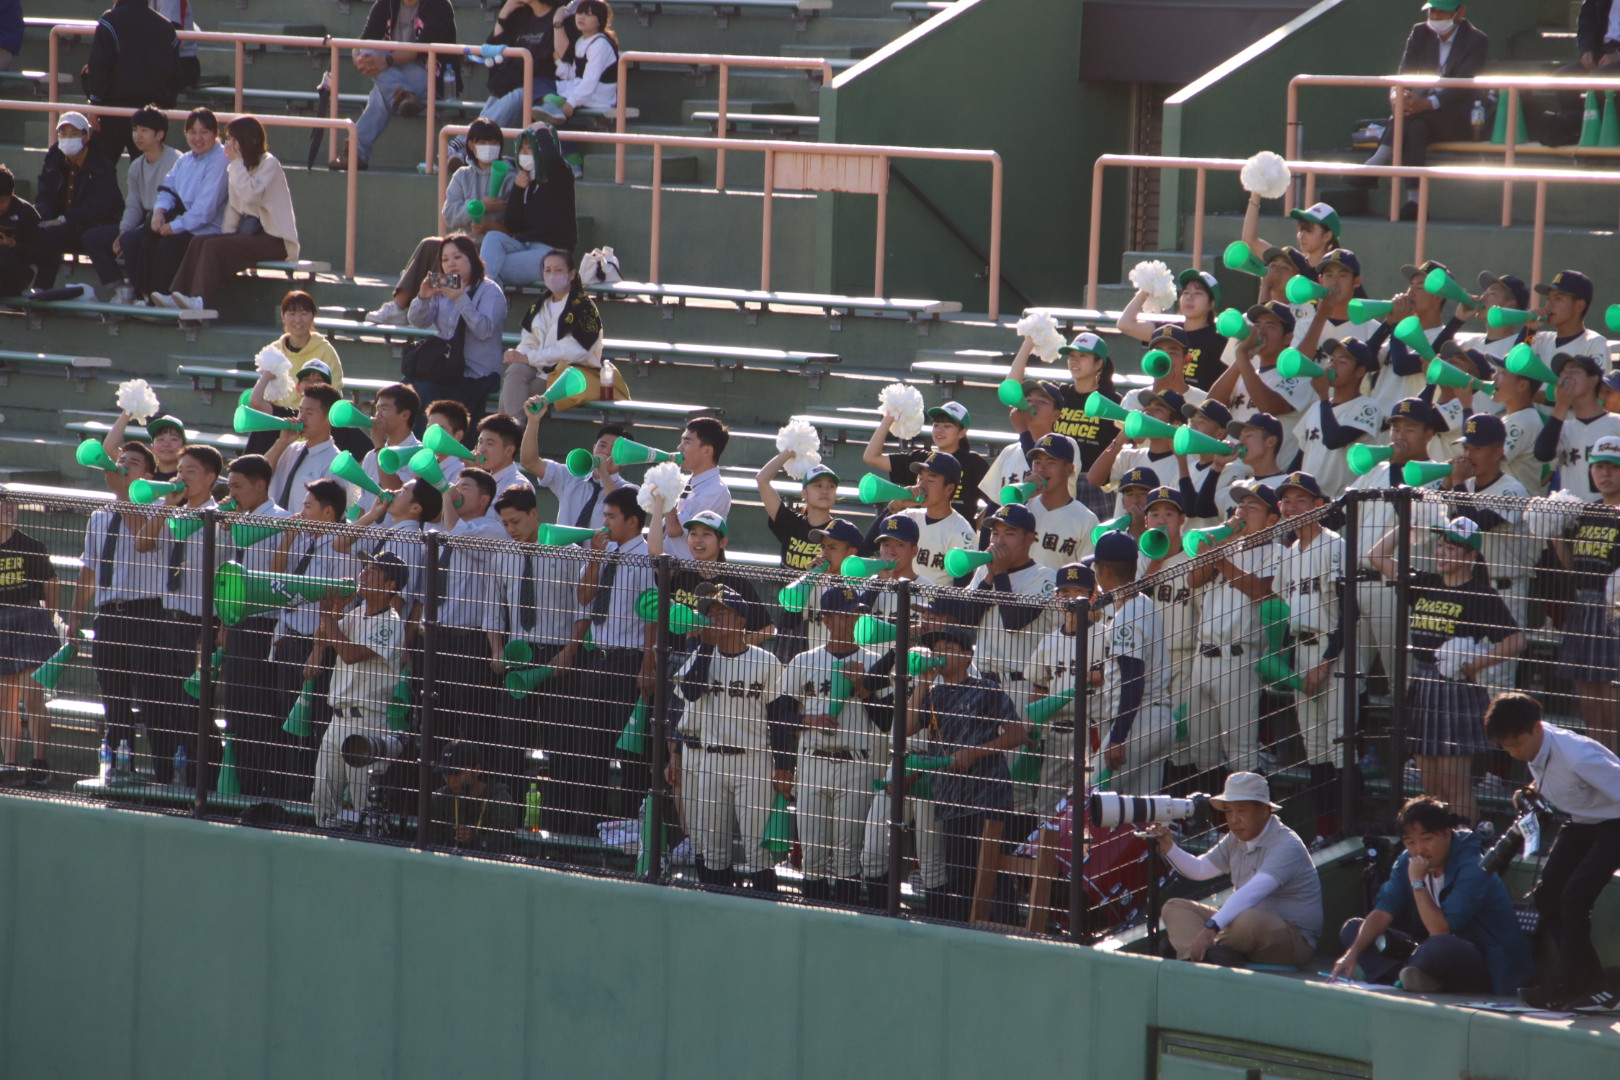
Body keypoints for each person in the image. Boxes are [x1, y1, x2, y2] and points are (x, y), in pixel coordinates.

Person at [1369, 516, 1522, 824]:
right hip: (1423, 684)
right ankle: (1436, 849)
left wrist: (1476, 664)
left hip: (1456, 689)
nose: (1442, 553)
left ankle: (1467, 848)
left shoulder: (1480, 594)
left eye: (1451, 548)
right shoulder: (1424, 582)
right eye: (1440, 545)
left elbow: (1516, 640)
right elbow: (1376, 557)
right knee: (1431, 786)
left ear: (1470, 556)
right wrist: (1408, 522)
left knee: (1455, 785)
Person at [1486, 691, 1620, 1012]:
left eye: (1518, 743)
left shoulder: (1577, 755)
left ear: (1538, 728)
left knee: (1575, 897)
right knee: (1548, 895)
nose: (1515, 752)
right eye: (1507, 747)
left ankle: (1590, 987)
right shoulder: (1535, 751)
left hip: (1616, 822)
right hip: (1583, 820)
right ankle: (1583, 981)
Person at [1332, 796, 1534, 995]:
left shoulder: (1474, 867)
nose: (1419, 849)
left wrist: (1418, 883)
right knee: (1353, 929)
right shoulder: (1407, 861)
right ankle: (1412, 976)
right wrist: (1352, 953)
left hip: (1489, 962)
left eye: (1427, 839)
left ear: (1446, 834)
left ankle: (1403, 974)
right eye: (1410, 842)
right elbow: (1383, 911)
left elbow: (1441, 930)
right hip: (1428, 950)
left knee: (1439, 946)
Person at [670, 585, 792, 891]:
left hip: (753, 762)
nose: (715, 618)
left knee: (758, 853)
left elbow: (780, 720)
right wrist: (708, 649)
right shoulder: (701, 656)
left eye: (722, 612)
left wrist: (783, 766)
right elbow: (690, 693)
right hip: (710, 760)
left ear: (741, 620)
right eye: (711, 613)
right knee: (713, 853)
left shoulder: (766, 661)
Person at [905, 623, 1028, 920]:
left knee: (992, 873)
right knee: (960, 876)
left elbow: (1018, 734)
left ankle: (1004, 932)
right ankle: (963, 933)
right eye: (937, 649)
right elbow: (906, 729)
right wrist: (921, 683)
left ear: (968, 655)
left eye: (949, 648)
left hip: (989, 797)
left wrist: (973, 752)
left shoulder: (986, 689)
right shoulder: (932, 694)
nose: (940, 654)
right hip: (950, 798)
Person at [781, 585, 891, 904]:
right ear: (826, 620)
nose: (849, 620)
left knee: (848, 857)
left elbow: (886, 722)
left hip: (856, 762)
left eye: (854, 614)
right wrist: (808, 721)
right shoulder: (805, 660)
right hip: (812, 761)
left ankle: (845, 921)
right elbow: (778, 712)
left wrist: (864, 688)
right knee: (812, 857)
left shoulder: (875, 662)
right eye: (842, 615)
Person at [1153, 772, 1323, 967]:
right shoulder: (1235, 838)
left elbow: (1253, 892)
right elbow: (1200, 869)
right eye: (1228, 811)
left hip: (1292, 939)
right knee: (1174, 907)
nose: (1233, 819)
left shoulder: (1287, 844)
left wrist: (1210, 928)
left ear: (1265, 810)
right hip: (1238, 927)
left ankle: (1193, 949)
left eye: (1241, 810)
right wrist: (1168, 848)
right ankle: (1205, 957)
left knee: (1250, 920)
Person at [67, 442, 165, 778]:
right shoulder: (99, 515)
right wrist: (76, 615)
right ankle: (121, 766)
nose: (122, 466)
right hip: (109, 616)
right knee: (114, 697)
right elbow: (89, 570)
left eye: (133, 463)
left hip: (147, 614)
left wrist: (125, 495)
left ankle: (168, 772)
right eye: (120, 460)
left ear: (148, 475)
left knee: (152, 700)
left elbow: (143, 538)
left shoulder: (158, 509)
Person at [365, 121, 520, 326]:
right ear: (472, 145)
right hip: (466, 241)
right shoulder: (462, 175)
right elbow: (449, 214)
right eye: (483, 142)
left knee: (455, 258)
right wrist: (478, 205)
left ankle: (446, 305)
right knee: (431, 245)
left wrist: (488, 224)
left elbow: (515, 222)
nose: (489, 147)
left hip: (493, 246)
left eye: (494, 142)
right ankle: (400, 307)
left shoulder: (511, 178)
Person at [487, 484, 587, 797]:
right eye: (505, 523)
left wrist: (570, 652)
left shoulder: (569, 552)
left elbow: (583, 610)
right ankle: (508, 823)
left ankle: (559, 829)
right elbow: (493, 610)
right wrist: (496, 650)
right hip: (518, 657)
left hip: (559, 657)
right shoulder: (502, 556)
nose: (510, 529)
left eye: (516, 521)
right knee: (509, 746)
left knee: (563, 747)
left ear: (534, 514)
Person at [1347, 0, 1487, 219]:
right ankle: (1415, 202)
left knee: (1415, 116)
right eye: (1433, 11)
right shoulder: (1419, 32)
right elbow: (1403, 76)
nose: (1436, 17)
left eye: (1443, 12)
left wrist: (1427, 103)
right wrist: (1397, 97)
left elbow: (1463, 84)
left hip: (1457, 118)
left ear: (1460, 13)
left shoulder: (1477, 40)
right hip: (1419, 114)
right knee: (1416, 126)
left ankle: (1375, 163)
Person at [132, 443, 221, 784]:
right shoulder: (171, 511)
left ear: (211, 478)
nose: (181, 477)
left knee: (193, 709)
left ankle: (205, 782)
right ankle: (167, 776)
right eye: (179, 470)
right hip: (166, 620)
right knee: (160, 705)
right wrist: (165, 508)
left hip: (200, 625)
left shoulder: (220, 518)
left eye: (191, 472)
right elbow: (142, 544)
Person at [573, 486, 657, 831]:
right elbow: (583, 596)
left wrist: (647, 667)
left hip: (628, 662)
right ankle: (587, 828)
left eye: (610, 517)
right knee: (590, 748)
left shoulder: (646, 557)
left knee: (630, 753)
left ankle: (630, 828)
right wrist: (594, 558)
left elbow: (654, 616)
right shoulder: (605, 553)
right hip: (599, 660)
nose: (604, 523)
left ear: (632, 521)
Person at [1185, 482, 1281, 780]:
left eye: (1253, 507)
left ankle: (1251, 821)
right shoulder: (1228, 545)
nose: (1243, 512)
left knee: (1241, 752)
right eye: (1241, 506)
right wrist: (1217, 545)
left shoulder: (1278, 551)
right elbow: (1193, 580)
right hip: (1203, 658)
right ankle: (1209, 825)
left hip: (1238, 658)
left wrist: (1221, 559)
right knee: (1202, 752)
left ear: (1270, 519)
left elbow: (1260, 590)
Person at [1272, 472, 1347, 838]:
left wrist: (1326, 663)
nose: (1293, 507)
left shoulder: (1335, 546)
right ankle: (1324, 832)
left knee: (1339, 746)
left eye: (1302, 499)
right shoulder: (1288, 553)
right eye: (1287, 500)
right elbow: (1285, 613)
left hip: (1333, 652)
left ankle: (1349, 831)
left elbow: (1350, 613)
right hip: (1303, 653)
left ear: (1319, 506)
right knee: (1315, 750)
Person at [217, 453, 292, 799]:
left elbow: (279, 580)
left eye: (237, 487)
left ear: (261, 485)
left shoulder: (279, 521)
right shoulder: (239, 519)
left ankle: (261, 787)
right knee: (238, 708)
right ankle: (242, 785)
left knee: (259, 710)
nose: (230, 495)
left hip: (266, 627)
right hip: (240, 624)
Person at [312, 551, 406, 829]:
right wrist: (330, 610)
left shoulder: (391, 622)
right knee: (322, 803)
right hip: (337, 720)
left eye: (373, 571)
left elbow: (351, 653)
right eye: (364, 568)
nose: (363, 574)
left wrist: (328, 616)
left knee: (368, 808)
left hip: (368, 724)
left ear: (390, 586)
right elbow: (321, 638)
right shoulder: (355, 613)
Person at [166, 116, 299, 310]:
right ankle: (177, 295)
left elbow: (252, 195)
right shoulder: (239, 167)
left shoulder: (269, 164)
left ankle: (199, 300)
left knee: (212, 247)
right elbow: (234, 209)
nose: (229, 144)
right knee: (200, 241)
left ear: (247, 139)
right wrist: (225, 238)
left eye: (233, 139)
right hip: (249, 237)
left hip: (274, 239)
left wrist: (236, 164)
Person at [271, 479, 351, 800]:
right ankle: (290, 795)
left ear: (328, 512)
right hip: (290, 639)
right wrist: (287, 541)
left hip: (317, 647)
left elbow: (334, 606)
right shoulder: (304, 539)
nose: (300, 512)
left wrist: (317, 650)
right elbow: (277, 580)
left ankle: (309, 798)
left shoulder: (338, 545)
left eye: (307, 506)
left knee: (313, 725)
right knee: (287, 723)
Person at [1542, 436, 1620, 753]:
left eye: (1613, 468)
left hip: (1615, 614)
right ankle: (1601, 778)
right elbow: (1577, 567)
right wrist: (1553, 532)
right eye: (1599, 467)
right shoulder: (1587, 511)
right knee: (1591, 714)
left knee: (1612, 714)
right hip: (1583, 610)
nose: (1605, 474)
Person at [1091, 528, 1170, 796]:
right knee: (1138, 814)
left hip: (1139, 722)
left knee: (1090, 801)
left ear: (1106, 572)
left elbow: (1133, 680)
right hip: (1155, 719)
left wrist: (1117, 737)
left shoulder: (1128, 617)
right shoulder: (1144, 603)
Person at [1009, 330, 1119, 520]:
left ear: (1099, 363)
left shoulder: (1113, 401)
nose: (1074, 361)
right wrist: (1028, 342)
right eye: (1072, 356)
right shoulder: (1060, 395)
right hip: (1058, 480)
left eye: (1082, 356)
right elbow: (1011, 391)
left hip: (1092, 485)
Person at [405, 233, 511, 429]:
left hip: (477, 373)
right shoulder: (442, 288)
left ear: (472, 258)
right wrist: (423, 297)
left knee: (425, 390)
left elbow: (483, 332)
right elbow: (418, 321)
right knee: (409, 386)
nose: (451, 264)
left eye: (457, 257)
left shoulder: (490, 291)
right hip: (445, 367)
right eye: (445, 260)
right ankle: (418, 446)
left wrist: (461, 299)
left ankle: (433, 444)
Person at [340, 0, 460, 172]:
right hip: (395, 72)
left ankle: (356, 153)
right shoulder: (385, 3)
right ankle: (402, 94)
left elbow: (418, 51)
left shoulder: (439, 5)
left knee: (381, 93)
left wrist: (385, 61)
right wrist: (360, 58)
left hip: (433, 76)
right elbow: (362, 41)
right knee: (367, 50)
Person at [445, 0, 563, 169]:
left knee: (519, 94)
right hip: (512, 83)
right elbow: (492, 48)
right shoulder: (520, 15)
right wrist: (505, 11)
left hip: (543, 88)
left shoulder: (558, 16)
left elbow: (555, 59)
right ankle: (464, 151)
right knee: (497, 98)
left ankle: (461, 144)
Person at [127, 108, 226, 305]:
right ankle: (143, 295)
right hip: (182, 220)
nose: (197, 138)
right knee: (137, 239)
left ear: (216, 134)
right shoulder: (185, 159)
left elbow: (204, 210)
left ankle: (163, 297)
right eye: (192, 132)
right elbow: (167, 188)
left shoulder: (221, 159)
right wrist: (159, 211)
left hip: (207, 226)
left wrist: (174, 226)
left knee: (168, 243)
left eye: (204, 132)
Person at [500, 249, 616, 417]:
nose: (552, 275)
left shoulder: (583, 306)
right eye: (547, 270)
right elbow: (529, 340)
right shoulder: (540, 304)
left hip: (570, 373)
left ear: (571, 274)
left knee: (525, 397)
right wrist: (519, 354)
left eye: (558, 270)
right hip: (540, 366)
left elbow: (574, 351)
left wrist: (529, 358)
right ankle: (508, 433)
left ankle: (509, 433)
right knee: (515, 370)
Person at [82, 106, 179, 304]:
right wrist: (124, 229)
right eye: (135, 130)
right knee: (93, 238)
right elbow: (133, 203)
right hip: (144, 220)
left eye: (144, 130)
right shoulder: (136, 165)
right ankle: (121, 289)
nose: (137, 135)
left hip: (168, 220)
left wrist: (128, 234)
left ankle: (142, 293)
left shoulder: (175, 160)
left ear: (160, 134)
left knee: (133, 240)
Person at [1208, 301, 1315, 470]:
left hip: (1272, 480)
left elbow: (1269, 407)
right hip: (1232, 472)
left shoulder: (1300, 376)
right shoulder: (1245, 370)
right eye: (1257, 325)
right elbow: (1212, 407)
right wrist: (1241, 358)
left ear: (1288, 338)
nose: (1260, 331)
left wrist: (1243, 356)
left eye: (1270, 325)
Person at [0, 494, 61, 786]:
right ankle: (9, 765)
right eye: (0, 503)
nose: (7, 508)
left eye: (10, 502)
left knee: (32, 697)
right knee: (5, 702)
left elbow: (51, 585)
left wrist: (47, 621)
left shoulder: (32, 546)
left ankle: (39, 764)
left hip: (29, 621)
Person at [27, 112, 121, 293]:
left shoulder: (103, 164)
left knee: (91, 237)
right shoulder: (53, 159)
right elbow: (45, 195)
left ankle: (118, 291)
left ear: (86, 137)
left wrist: (65, 219)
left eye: (74, 134)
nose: (67, 138)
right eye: (63, 134)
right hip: (64, 226)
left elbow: (101, 206)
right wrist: (41, 218)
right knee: (44, 233)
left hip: (94, 224)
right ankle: (40, 290)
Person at [82, 0, 181, 161]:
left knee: (98, 172)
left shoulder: (110, 20)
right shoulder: (166, 26)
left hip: (113, 110)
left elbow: (99, 65)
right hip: (151, 113)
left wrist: (94, 102)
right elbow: (174, 74)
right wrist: (164, 105)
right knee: (150, 174)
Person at [862, 399, 989, 522]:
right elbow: (871, 457)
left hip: (956, 539)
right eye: (936, 425)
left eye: (947, 426)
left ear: (962, 433)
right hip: (918, 537)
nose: (939, 430)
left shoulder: (974, 463)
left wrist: (976, 525)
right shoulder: (921, 459)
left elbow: (995, 501)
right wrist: (888, 418)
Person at [483, 126, 578, 289]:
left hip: (551, 252)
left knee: (491, 268)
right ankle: (487, 297)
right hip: (524, 246)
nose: (525, 154)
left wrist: (541, 131)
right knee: (492, 237)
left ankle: (484, 298)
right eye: (522, 149)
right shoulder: (525, 182)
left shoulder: (560, 176)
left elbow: (553, 160)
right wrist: (518, 190)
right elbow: (512, 224)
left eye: (530, 149)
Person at [867, 450, 978, 589]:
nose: (921, 486)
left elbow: (962, 591)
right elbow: (867, 547)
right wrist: (896, 505)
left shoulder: (961, 532)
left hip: (932, 607)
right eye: (920, 478)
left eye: (930, 480)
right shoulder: (908, 516)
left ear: (949, 489)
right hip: (897, 603)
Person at [537, 0, 620, 178]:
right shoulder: (581, 41)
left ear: (600, 20)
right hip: (583, 91)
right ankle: (569, 157)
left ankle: (573, 161)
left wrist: (572, 102)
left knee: (552, 106)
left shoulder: (600, 44)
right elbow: (575, 74)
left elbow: (590, 81)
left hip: (599, 96)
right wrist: (558, 62)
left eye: (589, 14)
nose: (581, 17)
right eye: (580, 13)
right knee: (542, 96)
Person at [1294, 337, 1382, 498]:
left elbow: (1334, 440)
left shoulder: (1368, 407)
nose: (1333, 365)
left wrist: (1324, 396)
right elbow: (1301, 455)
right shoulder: (1316, 407)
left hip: (1341, 505)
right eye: (1331, 359)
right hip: (1307, 503)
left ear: (1360, 371)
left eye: (1343, 361)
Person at [1116, 268, 1226, 392]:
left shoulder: (1219, 339)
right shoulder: (1169, 331)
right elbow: (1125, 324)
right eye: (1186, 292)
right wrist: (1146, 288)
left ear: (1211, 304)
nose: (1189, 297)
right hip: (1165, 403)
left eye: (1198, 293)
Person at [1533, 351, 1620, 503]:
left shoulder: (1616, 423)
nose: (1566, 376)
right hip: (1571, 518)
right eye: (1562, 373)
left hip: (1608, 518)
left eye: (1573, 370)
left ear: (1593, 380)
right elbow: (1542, 454)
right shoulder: (1562, 426)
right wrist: (1560, 406)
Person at [520, 416, 635, 530]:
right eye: (602, 445)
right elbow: (530, 462)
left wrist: (603, 472)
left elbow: (619, 510)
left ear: (626, 460)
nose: (605, 452)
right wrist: (533, 420)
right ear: (594, 448)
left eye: (614, 450)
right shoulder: (571, 475)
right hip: (564, 548)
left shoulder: (630, 490)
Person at [1288, 250, 1382, 360]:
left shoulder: (1372, 329)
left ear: (1357, 281)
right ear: (1320, 281)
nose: (1334, 282)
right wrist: (1321, 317)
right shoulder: (1303, 326)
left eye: (1342, 275)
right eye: (1329, 275)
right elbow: (1296, 367)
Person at [1023, 433, 1099, 571]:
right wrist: (1023, 498)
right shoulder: (1022, 508)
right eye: (1037, 462)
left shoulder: (1086, 520)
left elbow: (1087, 574)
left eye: (1051, 462)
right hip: (1014, 592)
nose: (1041, 469)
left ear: (1068, 469)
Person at [659, 417, 731, 560]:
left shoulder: (716, 490)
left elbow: (674, 530)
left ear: (707, 450)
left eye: (687, 442)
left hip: (689, 574)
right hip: (668, 570)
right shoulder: (688, 482)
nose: (680, 447)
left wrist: (666, 485)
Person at [429, 740, 520, 854]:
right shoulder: (440, 798)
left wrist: (474, 839)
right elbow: (429, 840)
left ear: (477, 769)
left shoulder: (501, 800)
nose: (451, 781)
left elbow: (502, 845)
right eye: (447, 774)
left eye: (458, 774)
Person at [356, 383, 423, 514]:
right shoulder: (371, 456)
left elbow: (395, 495)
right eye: (377, 409)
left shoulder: (419, 455)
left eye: (384, 409)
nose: (378, 415)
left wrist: (379, 447)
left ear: (405, 415)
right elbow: (364, 507)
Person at [1528, 270, 1610, 373]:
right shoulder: (1540, 339)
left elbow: (1598, 386)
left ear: (1579, 305)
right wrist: (1529, 329)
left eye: (1558, 298)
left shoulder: (1594, 343)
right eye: (1548, 298)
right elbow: (1511, 365)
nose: (1549, 304)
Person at [0, 164, 41, 296]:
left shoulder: (26, 213)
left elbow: (41, 253)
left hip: (15, 272)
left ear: (11, 194)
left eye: (2, 201)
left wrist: (13, 244)